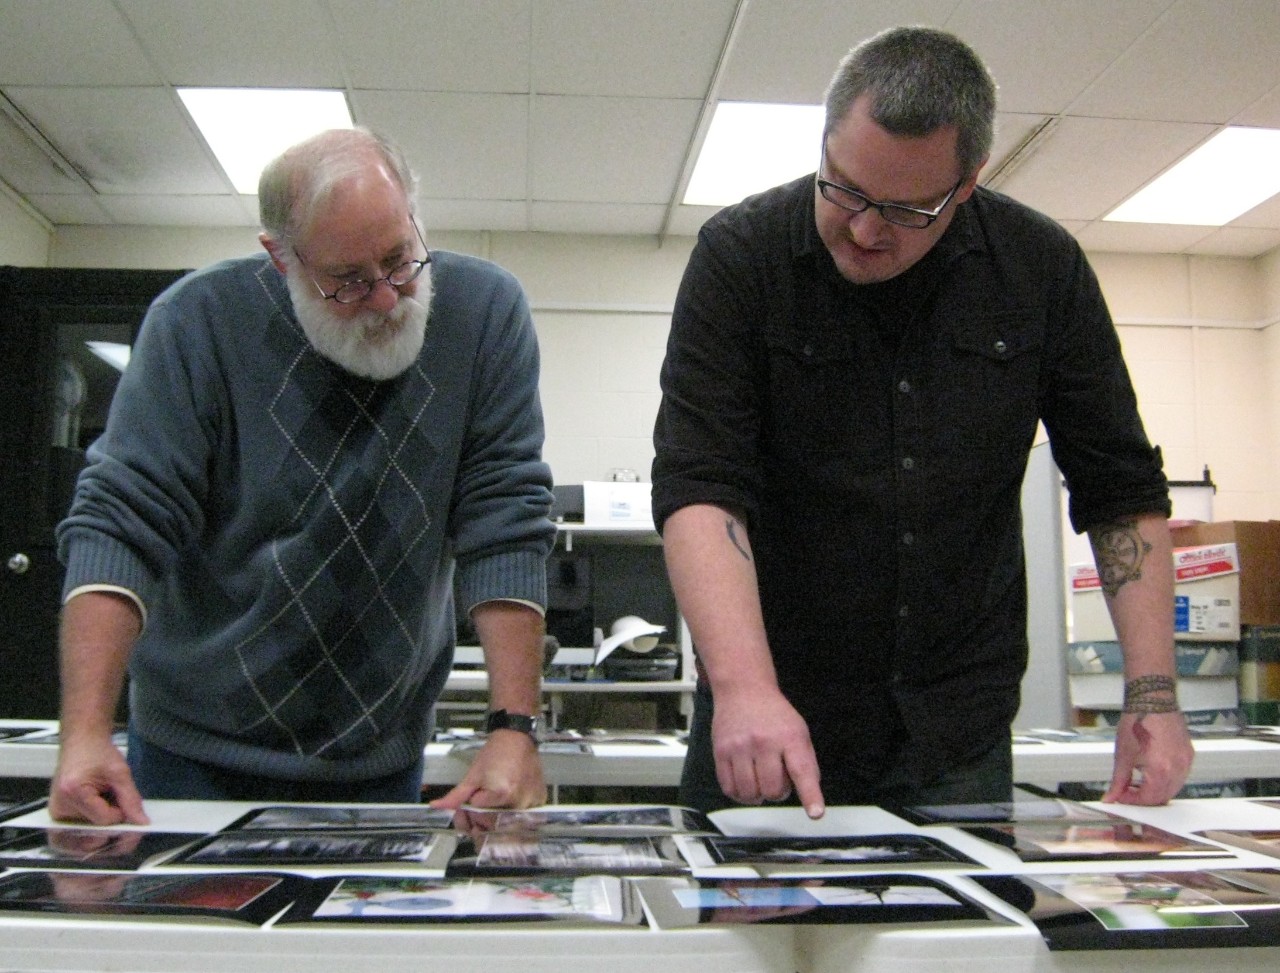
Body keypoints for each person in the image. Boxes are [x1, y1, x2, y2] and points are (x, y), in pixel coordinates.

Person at [652, 26, 1193, 819]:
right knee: (745, 944)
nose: (867, 229)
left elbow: (1120, 488)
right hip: (768, 716)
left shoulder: (1040, 270)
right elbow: (701, 484)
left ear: (967, 183)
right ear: (825, 141)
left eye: (908, 209)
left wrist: (1152, 693)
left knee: (956, 947)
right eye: (843, 187)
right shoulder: (742, 259)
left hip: (954, 736)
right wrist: (742, 686)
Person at [49, 127, 555, 825]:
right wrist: (84, 734)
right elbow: (119, 524)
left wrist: (512, 729)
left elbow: (505, 517)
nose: (385, 298)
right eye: (347, 280)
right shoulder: (197, 322)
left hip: (380, 752)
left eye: (400, 259)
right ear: (280, 257)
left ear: (414, 214)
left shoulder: (484, 313)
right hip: (193, 750)